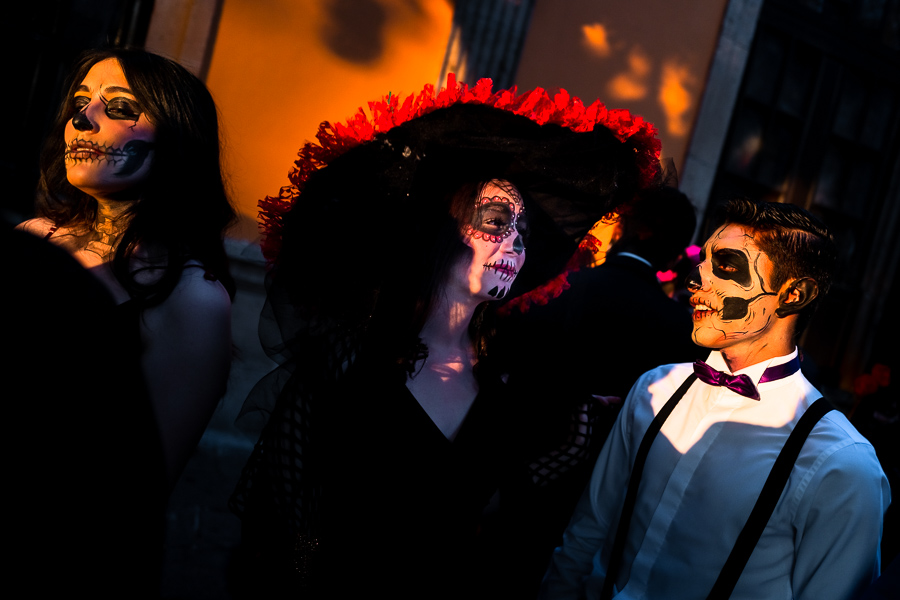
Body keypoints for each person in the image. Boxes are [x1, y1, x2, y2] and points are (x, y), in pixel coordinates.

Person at [227, 79, 662, 598]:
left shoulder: (504, 375)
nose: (514, 244)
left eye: (523, 233)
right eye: (496, 222)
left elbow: (497, 501)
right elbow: (285, 511)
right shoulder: (349, 360)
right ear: (441, 231)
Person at [540, 198, 890, 599]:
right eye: (702, 261)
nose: (694, 281)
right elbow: (587, 532)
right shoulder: (655, 389)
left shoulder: (842, 465)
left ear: (793, 294)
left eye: (725, 265)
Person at [18, 48, 235, 489]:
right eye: (79, 104)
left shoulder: (193, 298)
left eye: (118, 107)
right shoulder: (33, 238)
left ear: (178, 138)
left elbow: (142, 484)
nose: (82, 119)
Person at [495, 185, 707, 593]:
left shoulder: (561, 289)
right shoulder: (682, 330)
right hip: (605, 512)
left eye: (622, 218)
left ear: (635, 228)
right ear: (675, 252)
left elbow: (505, 364)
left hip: (519, 487)